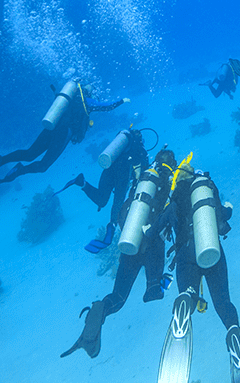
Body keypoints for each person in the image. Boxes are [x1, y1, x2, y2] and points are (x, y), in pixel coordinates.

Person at [154, 153, 240, 383]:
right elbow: (224, 219)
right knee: (224, 304)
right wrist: (230, 208)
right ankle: (234, 334)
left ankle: (186, 300)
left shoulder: (175, 198)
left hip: (186, 254)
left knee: (189, 290)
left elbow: (160, 226)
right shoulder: (208, 190)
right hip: (212, 252)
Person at [61, 146, 177, 359]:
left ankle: (99, 312)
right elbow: (172, 218)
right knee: (154, 289)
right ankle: (154, 288)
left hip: (129, 244)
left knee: (118, 297)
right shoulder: (170, 183)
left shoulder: (141, 182)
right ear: (173, 166)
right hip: (153, 246)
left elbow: (123, 211)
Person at [0, 78, 129, 214]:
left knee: (29, 153)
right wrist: (122, 100)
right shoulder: (87, 101)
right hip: (63, 134)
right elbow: (106, 106)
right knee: (43, 165)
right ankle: (19, 170)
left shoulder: (69, 100)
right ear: (89, 91)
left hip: (52, 127)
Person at [56, 126, 151, 252]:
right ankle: (111, 225)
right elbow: (143, 173)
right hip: (123, 175)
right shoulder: (140, 151)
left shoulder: (119, 148)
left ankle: (82, 183)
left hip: (108, 170)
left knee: (102, 200)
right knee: (117, 202)